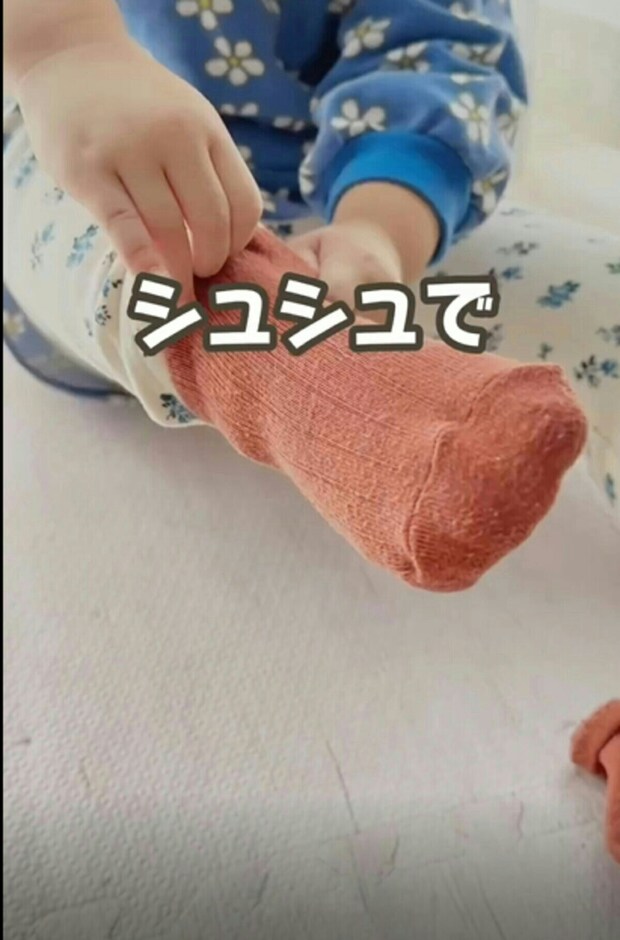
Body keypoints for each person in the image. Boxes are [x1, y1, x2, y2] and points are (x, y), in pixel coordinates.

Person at [3, 0, 618, 590]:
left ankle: (322, 354)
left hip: (341, 204)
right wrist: (66, 48)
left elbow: (442, 45)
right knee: (131, 235)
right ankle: (296, 379)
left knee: (604, 291)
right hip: (84, 145)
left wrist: (380, 229)